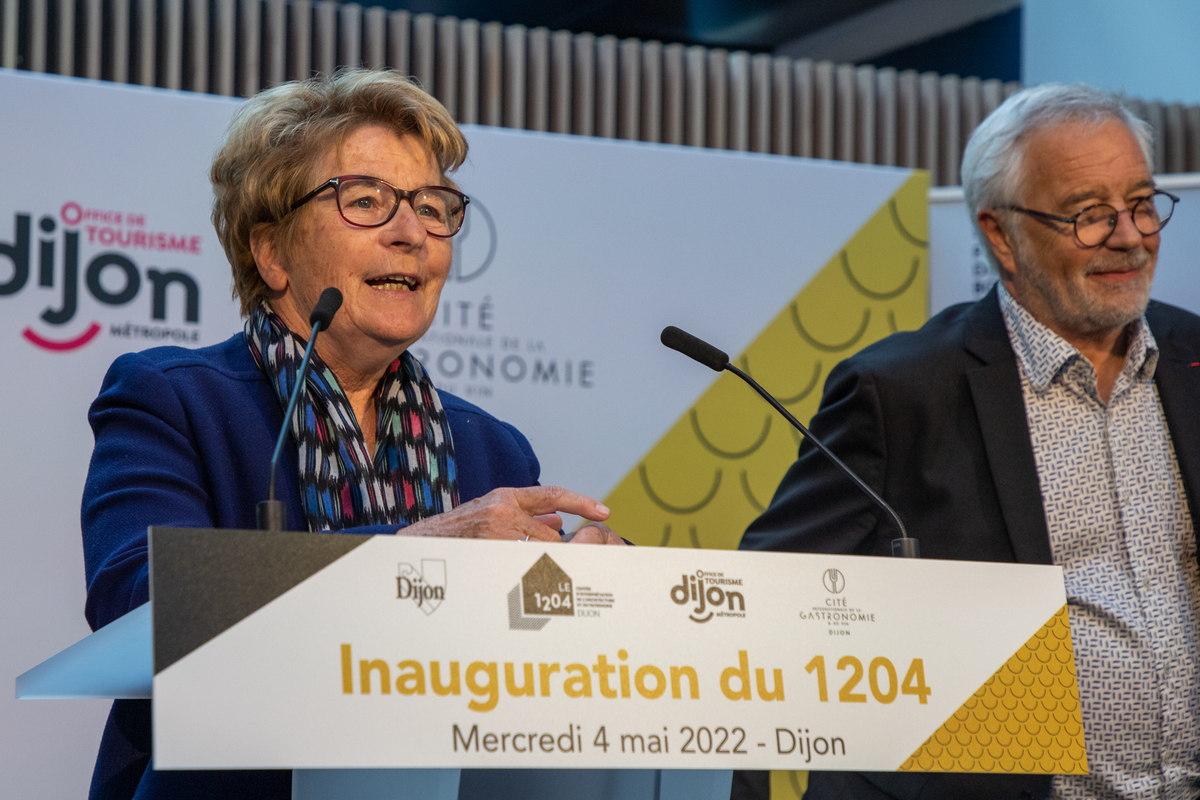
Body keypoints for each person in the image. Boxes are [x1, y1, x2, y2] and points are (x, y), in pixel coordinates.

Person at [81, 69, 623, 800]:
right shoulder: (172, 402)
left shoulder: (493, 450)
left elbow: (518, 683)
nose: (412, 233)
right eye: (366, 201)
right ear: (269, 251)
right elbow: (138, 611)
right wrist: (406, 557)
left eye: (433, 207)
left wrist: (597, 599)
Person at [741, 83, 1200, 800]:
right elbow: (770, 593)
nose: (1129, 235)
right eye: (1088, 215)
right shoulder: (902, 391)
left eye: (1141, 204)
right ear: (999, 234)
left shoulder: (1195, 357)